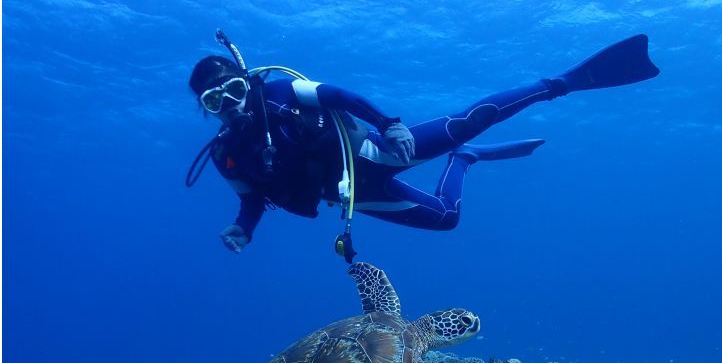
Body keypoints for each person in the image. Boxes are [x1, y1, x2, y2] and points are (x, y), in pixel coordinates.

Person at [187, 33, 659, 259]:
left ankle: (564, 82)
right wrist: (242, 228)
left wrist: (388, 123)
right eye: (214, 100)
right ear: (206, 109)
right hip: (356, 195)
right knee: (447, 220)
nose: (228, 104)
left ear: (244, 83)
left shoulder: (279, 93)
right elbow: (251, 200)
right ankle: (464, 163)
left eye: (232, 90)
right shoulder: (227, 155)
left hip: (380, 150)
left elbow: (336, 96)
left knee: (472, 119)